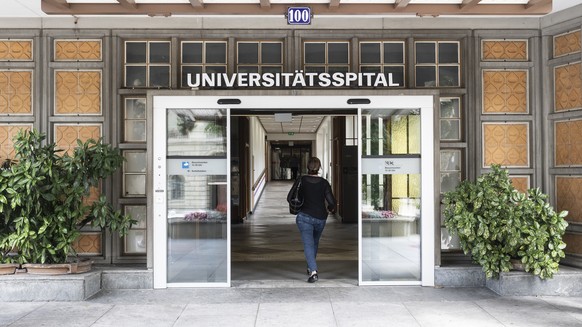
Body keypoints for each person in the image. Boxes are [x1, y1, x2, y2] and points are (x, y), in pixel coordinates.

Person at [287, 156, 336, 283]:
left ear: (307, 167)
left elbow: (289, 197)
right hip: (321, 218)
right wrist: (331, 209)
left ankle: (313, 271)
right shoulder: (324, 183)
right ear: (319, 168)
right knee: (314, 243)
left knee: (309, 244)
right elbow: (332, 202)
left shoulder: (301, 180)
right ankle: (311, 268)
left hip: (304, 217)